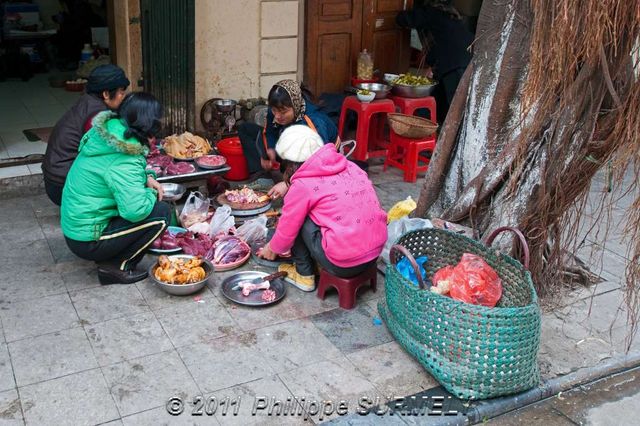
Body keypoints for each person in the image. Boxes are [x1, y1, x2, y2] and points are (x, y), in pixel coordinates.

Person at [257, 125, 387, 292]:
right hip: (374, 256)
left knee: (297, 218)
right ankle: (321, 260)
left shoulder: (302, 185)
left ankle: (304, 275)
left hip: (344, 264)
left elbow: (287, 229)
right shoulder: (351, 167)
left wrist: (273, 248)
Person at [61, 92, 170, 285]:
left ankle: (108, 253)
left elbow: (110, 173)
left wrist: (145, 177)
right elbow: (135, 211)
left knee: (147, 205)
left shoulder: (107, 135)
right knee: (161, 214)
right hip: (87, 238)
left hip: (77, 227)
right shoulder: (125, 158)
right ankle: (115, 267)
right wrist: (152, 193)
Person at [42, 64, 129, 205]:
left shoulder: (87, 101)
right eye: (121, 93)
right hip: (62, 187)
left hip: (55, 180)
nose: (123, 97)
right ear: (106, 94)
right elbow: (103, 157)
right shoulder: (98, 116)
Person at [238, 79, 338, 197]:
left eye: (283, 112)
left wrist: (289, 183)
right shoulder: (276, 109)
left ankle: (292, 182)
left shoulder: (313, 123)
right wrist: (270, 149)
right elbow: (270, 130)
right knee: (245, 129)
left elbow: (319, 162)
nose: (277, 116)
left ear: (295, 106)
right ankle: (262, 176)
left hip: (317, 155)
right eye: (274, 111)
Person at [396, 0, 473, 117]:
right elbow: (442, 44)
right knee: (440, 98)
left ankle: (454, 132)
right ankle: (424, 121)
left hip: (453, 63)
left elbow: (404, 19)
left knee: (456, 105)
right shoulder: (449, 14)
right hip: (466, 60)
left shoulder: (431, 12)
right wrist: (432, 66)